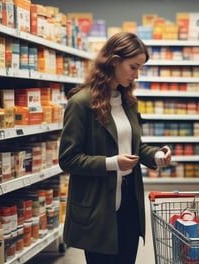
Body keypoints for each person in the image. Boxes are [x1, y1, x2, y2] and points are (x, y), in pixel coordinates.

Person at [58, 32, 172, 264]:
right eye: (133, 67)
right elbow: (68, 159)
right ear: (114, 61)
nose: (136, 74)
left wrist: (158, 156)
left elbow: (135, 146)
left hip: (129, 202)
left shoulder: (128, 101)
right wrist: (112, 163)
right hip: (99, 206)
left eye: (139, 68)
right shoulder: (80, 103)